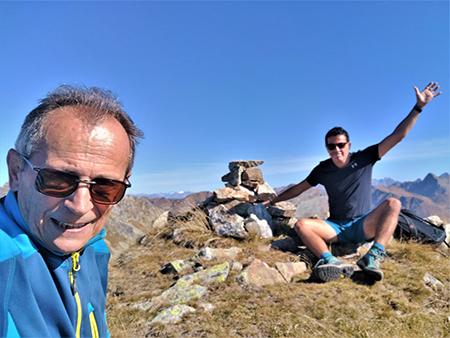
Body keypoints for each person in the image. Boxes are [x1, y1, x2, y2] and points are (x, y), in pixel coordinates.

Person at [0, 85, 143, 337]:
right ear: (15, 171)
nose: (80, 206)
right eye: (58, 179)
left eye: (106, 186)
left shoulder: (94, 248)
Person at [265, 82, 442, 283]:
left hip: (363, 223)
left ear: (348, 145)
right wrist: (272, 201)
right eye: (332, 147)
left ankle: (373, 256)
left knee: (394, 203)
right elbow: (299, 188)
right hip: (335, 227)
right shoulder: (322, 169)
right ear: (327, 148)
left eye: (341, 145)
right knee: (302, 225)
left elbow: (397, 136)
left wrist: (418, 108)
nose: (337, 150)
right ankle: (331, 261)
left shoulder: (365, 158)